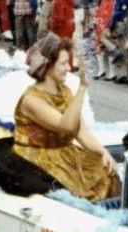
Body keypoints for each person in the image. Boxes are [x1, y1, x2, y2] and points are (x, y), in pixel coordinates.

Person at [15, 34, 120, 200]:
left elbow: (81, 131)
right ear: (48, 66)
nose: (69, 68)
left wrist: (103, 152)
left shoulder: (64, 91)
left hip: (63, 155)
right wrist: (82, 88)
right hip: (37, 160)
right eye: (63, 63)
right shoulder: (31, 100)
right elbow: (66, 125)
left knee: (106, 174)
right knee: (80, 193)